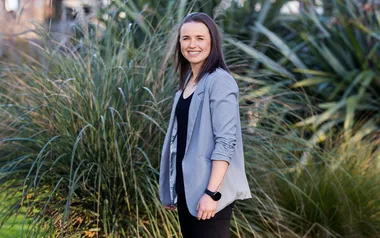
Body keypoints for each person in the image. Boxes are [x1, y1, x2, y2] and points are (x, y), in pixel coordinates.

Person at [159, 12, 251, 238]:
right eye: (186, 38)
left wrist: (212, 193)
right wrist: (174, 189)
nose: (192, 45)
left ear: (212, 42)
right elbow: (178, 141)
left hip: (209, 193)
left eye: (200, 38)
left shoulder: (219, 81)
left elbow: (226, 141)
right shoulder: (188, 81)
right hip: (188, 190)